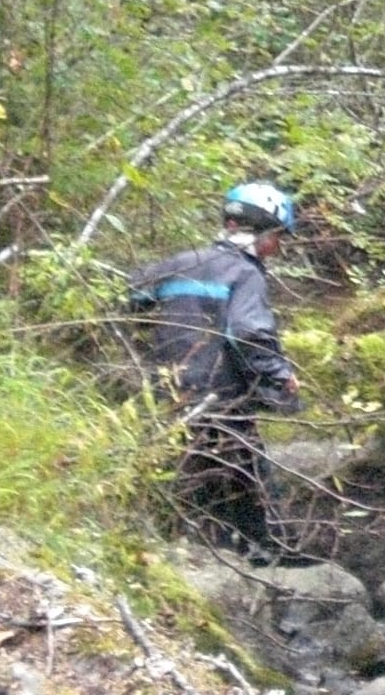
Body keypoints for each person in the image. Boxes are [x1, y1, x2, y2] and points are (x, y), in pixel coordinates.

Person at [128, 181, 302, 558]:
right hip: (220, 393)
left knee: (185, 468)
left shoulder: (181, 262)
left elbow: (131, 295)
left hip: (168, 389)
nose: (279, 247)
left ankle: (196, 544)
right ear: (259, 233)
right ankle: (271, 550)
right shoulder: (246, 273)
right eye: (277, 237)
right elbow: (247, 332)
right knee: (246, 470)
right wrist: (279, 373)